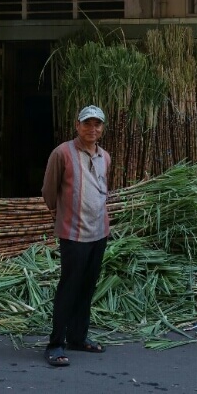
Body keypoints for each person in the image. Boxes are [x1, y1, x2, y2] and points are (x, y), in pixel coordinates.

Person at [41, 104, 111, 367]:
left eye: (97, 124)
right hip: (73, 233)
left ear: (102, 128)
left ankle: (78, 338)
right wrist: (61, 214)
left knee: (87, 286)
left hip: (99, 231)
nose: (92, 129)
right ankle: (55, 343)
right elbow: (49, 191)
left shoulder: (104, 156)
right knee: (69, 287)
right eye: (87, 123)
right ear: (77, 125)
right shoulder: (62, 153)